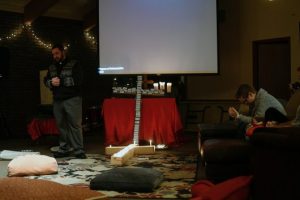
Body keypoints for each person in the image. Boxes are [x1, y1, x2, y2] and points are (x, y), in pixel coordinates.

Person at [44, 44, 86, 159]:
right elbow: (46, 80)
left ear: (63, 52)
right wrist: (51, 82)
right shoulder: (52, 66)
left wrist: (60, 81)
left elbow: (79, 80)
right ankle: (64, 149)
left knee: (75, 125)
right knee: (61, 125)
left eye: (57, 53)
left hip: (72, 98)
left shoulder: (74, 64)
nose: (55, 56)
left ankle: (79, 150)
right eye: (53, 54)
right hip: (57, 100)